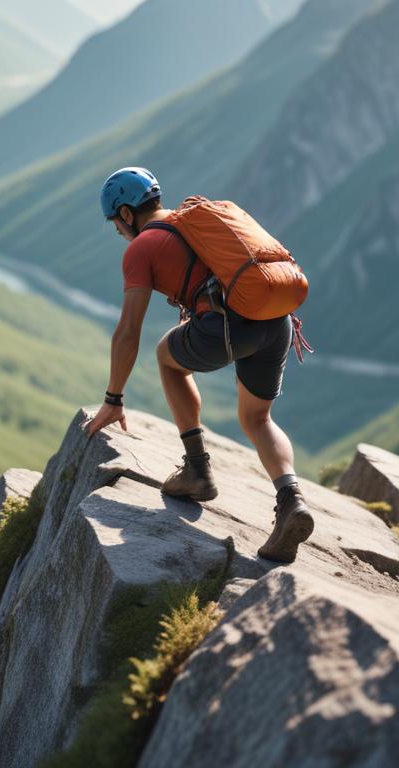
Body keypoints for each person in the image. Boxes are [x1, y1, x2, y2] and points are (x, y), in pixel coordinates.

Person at [83, 167, 314, 563]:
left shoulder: (141, 248)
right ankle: (291, 499)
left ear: (125, 214)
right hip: (275, 322)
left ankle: (197, 469)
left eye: (115, 224)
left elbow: (127, 331)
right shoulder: (193, 221)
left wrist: (113, 398)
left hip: (228, 325)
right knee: (258, 419)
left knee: (167, 358)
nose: (118, 233)